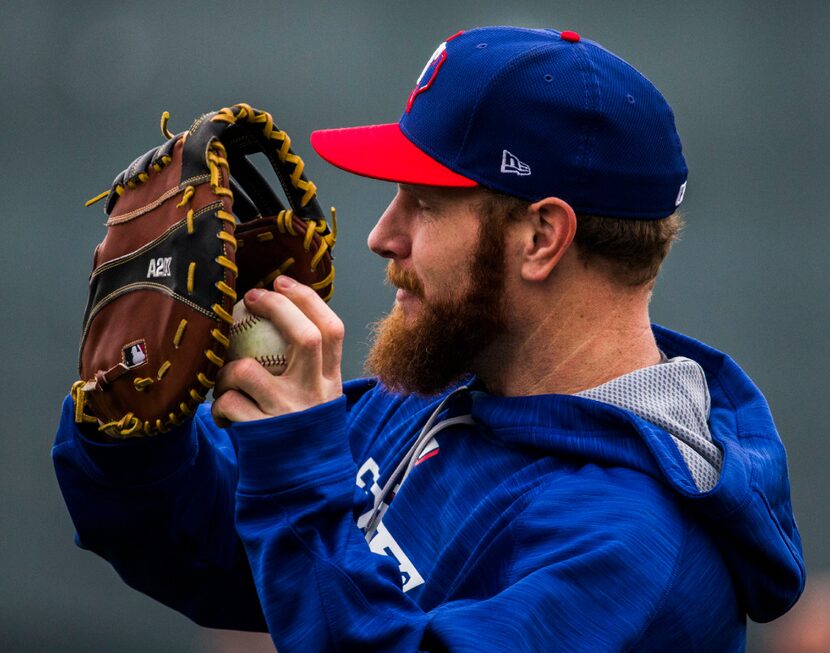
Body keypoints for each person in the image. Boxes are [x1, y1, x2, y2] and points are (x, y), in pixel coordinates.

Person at [53, 26, 804, 651]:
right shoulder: (441, 397)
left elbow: (311, 542)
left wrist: (295, 468)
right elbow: (218, 546)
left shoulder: (633, 549)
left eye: (423, 203)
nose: (382, 234)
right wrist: (132, 426)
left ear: (542, 236)